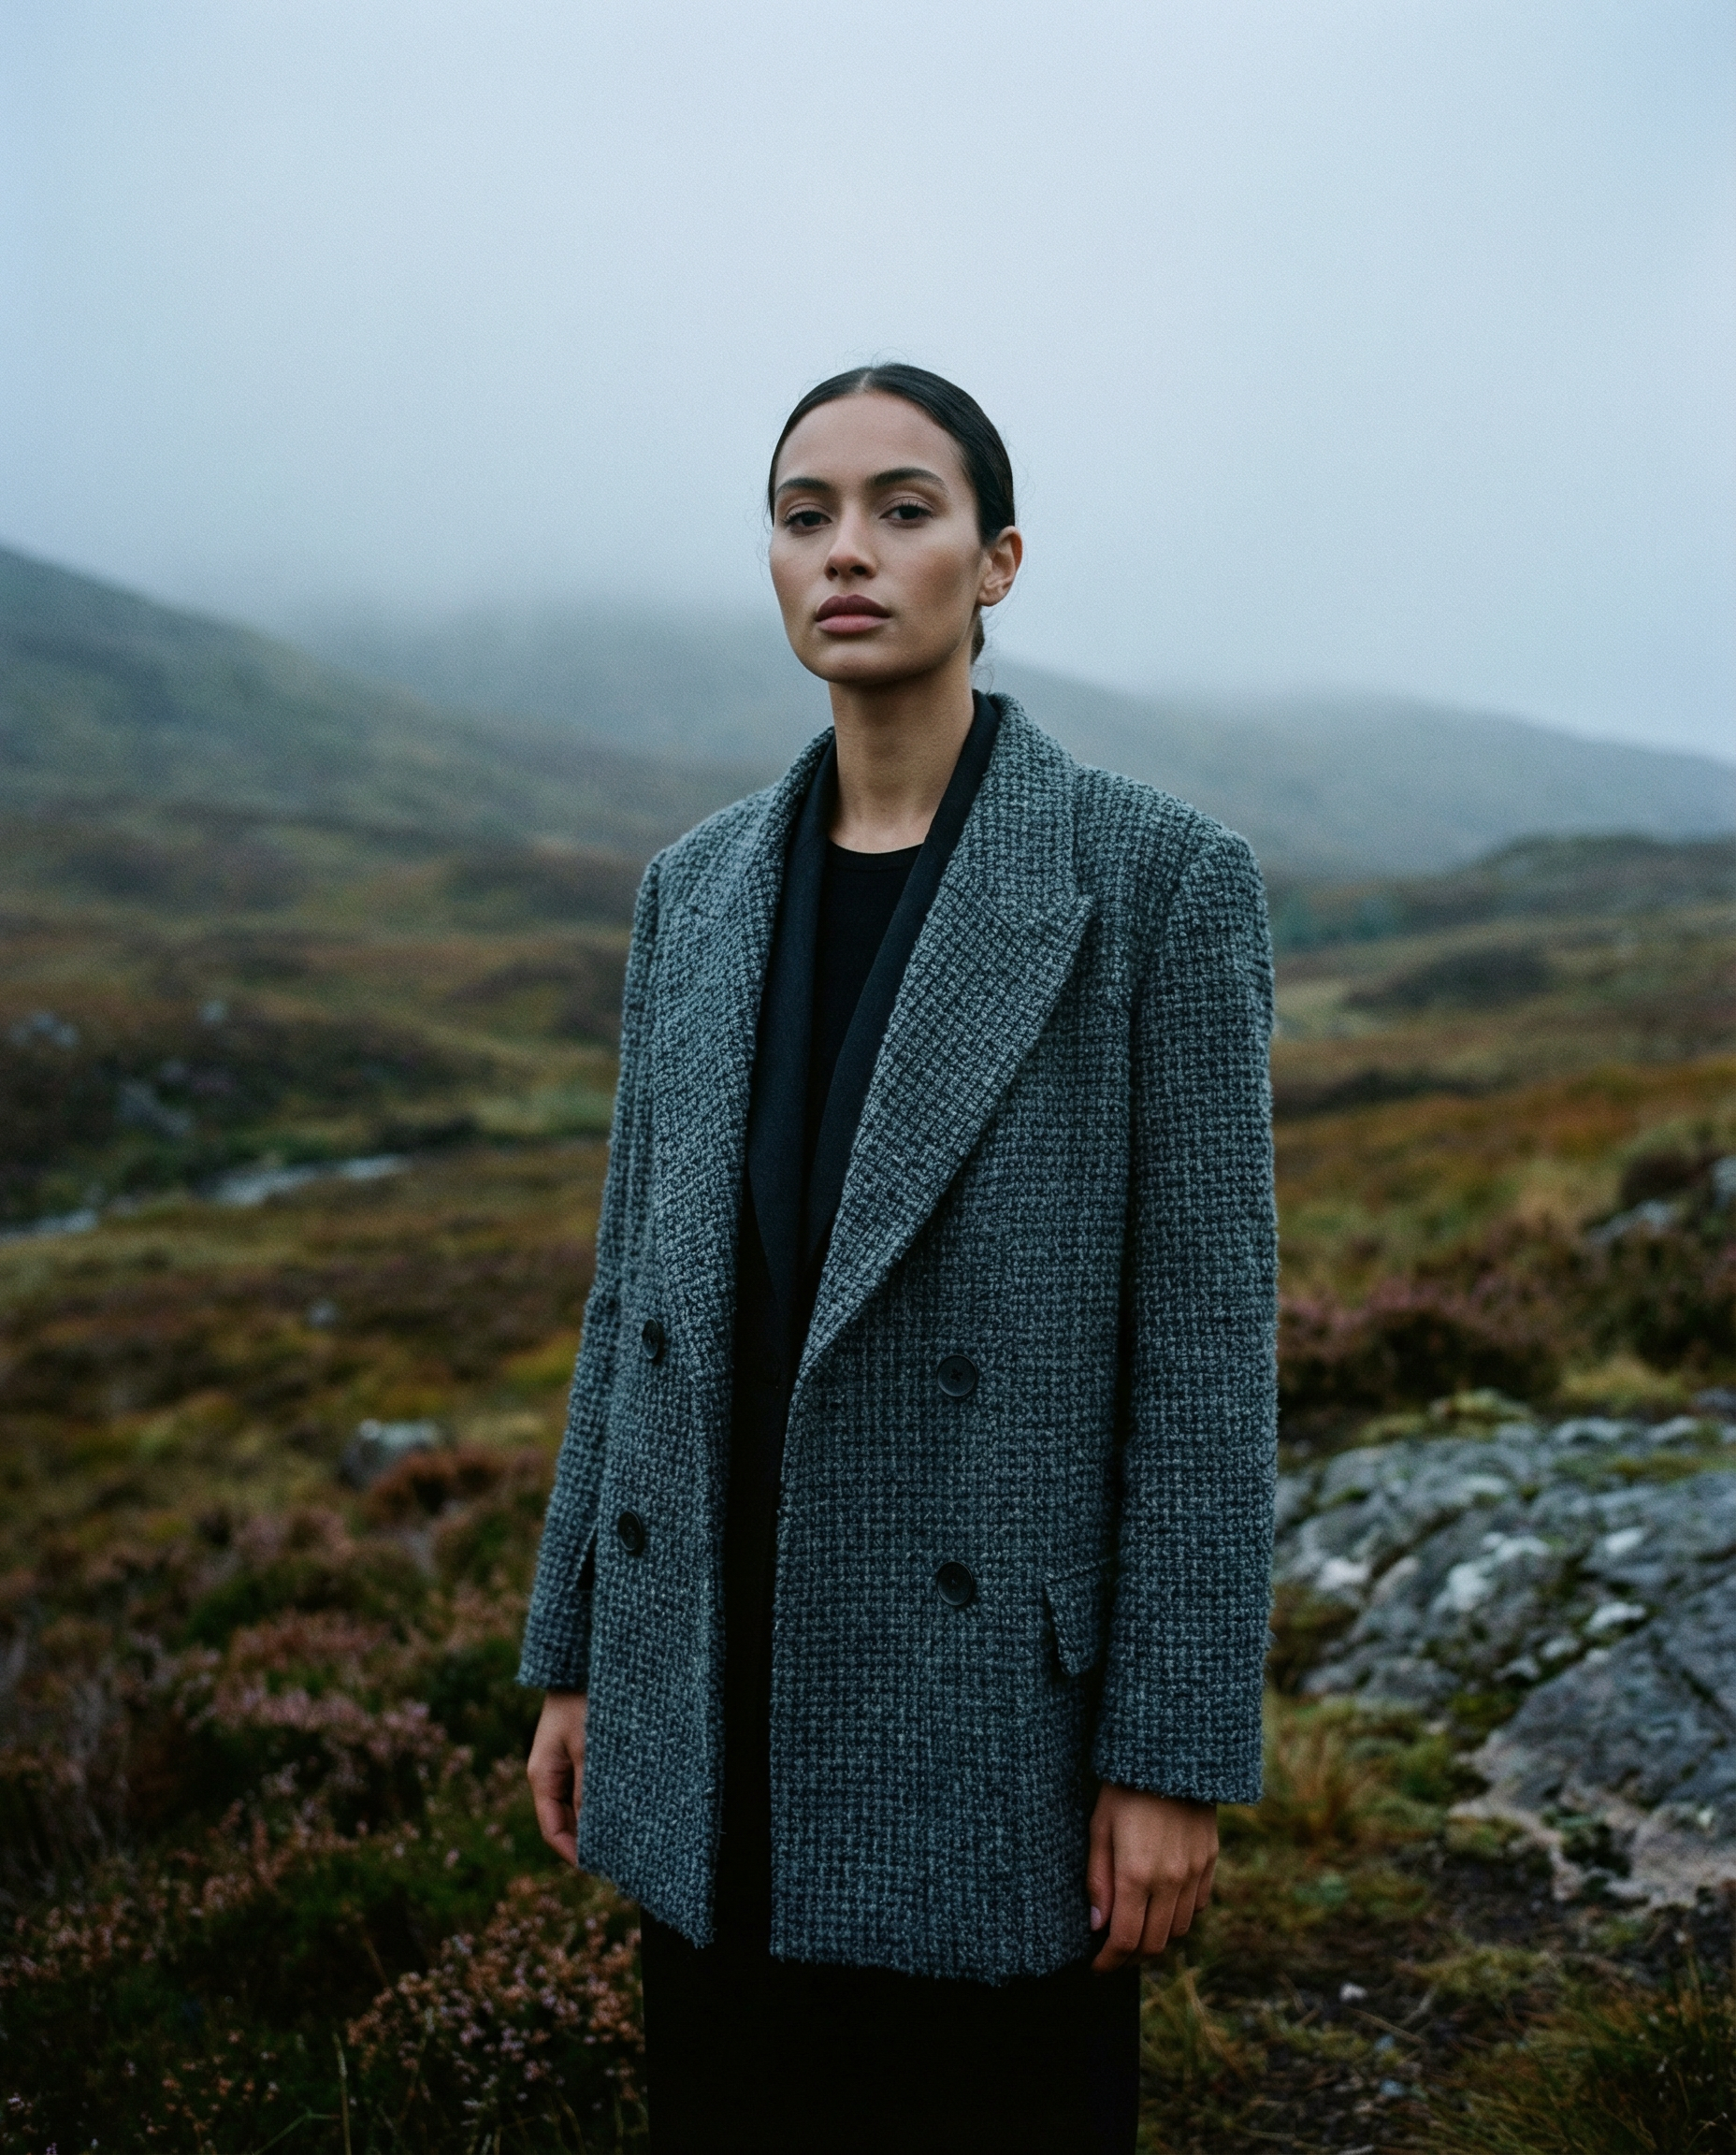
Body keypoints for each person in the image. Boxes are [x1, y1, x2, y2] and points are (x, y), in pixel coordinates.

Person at [519, 364, 1278, 2153]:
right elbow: (633, 1305)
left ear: (996, 564)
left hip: (989, 1724)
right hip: (711, 1683)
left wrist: (1169, 1758)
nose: (845, 552)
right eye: (804, 516)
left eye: (902, 509)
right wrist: (578, 1651)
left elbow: (1205, 1361)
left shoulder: (1156, 886)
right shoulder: (690, 892)